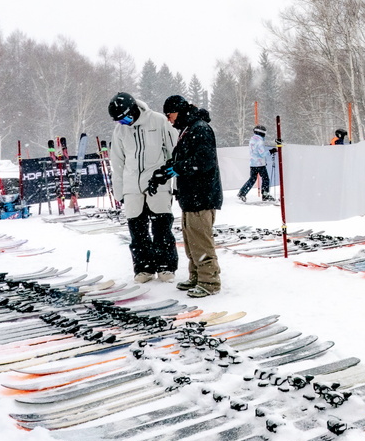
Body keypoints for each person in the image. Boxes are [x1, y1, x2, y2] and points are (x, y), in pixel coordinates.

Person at [148, 95, 223, 298]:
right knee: (191, 240)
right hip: (190, 196)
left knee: (201, 240)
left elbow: (204, 160)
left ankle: (210, 281)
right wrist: (162, 174)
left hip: (202, 195)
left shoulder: (200, 128)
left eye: (169, 114)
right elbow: (179, 159)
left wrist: (177, 168)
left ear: (178, 111)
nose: (168, 119)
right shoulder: (187, 130)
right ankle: (197, 275)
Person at [109, 92, 179, 282]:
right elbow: (117, 162)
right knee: (137, 231)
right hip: (132, 186)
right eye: (119, 121)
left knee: (161, 228)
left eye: (125, 118)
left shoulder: (158, 121)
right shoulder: (120, 131)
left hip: (158, 184)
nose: (124, 123)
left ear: (132, 109)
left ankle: (166, 266)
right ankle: (144, 267)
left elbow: (175, 152)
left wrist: (175, 181)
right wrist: (120, 190)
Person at [238, 124, 274, 202]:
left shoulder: (252, 140)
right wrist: (271, 151)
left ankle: (242, 193)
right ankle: (265, 194)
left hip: (253, 163)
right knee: (265, 179)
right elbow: (262, 153)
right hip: (260, 164)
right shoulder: (260, 141)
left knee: (252, 179)